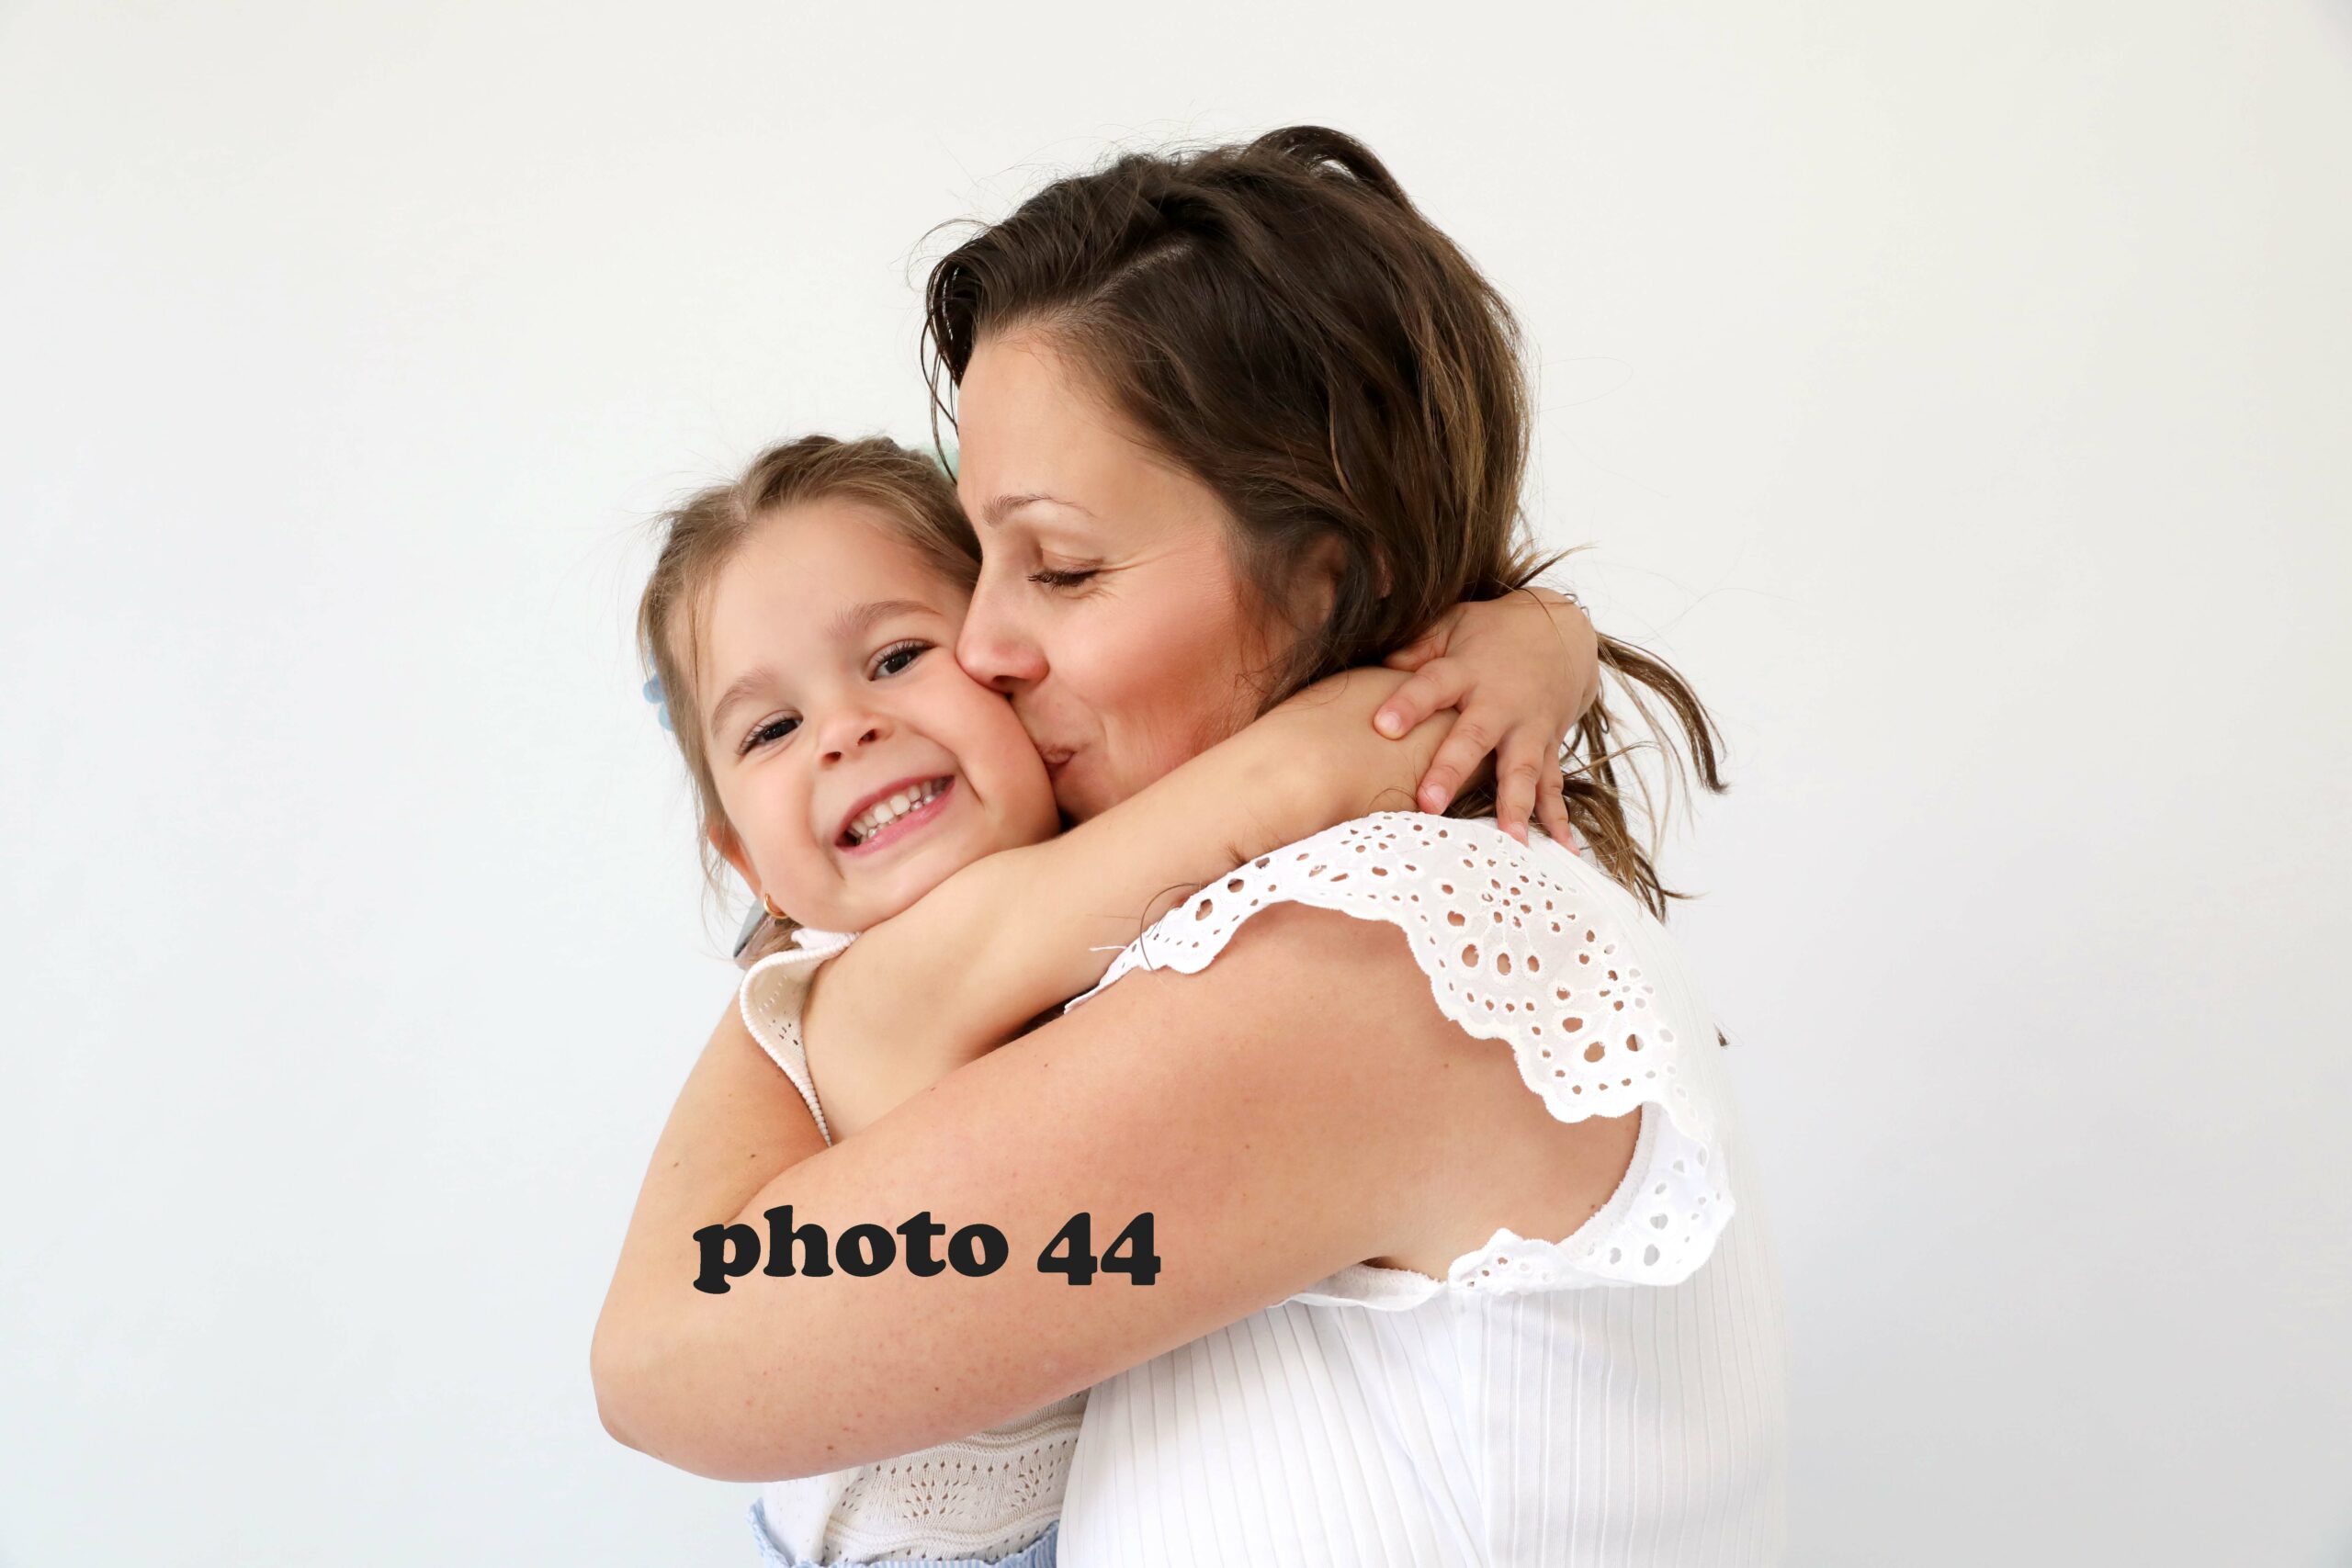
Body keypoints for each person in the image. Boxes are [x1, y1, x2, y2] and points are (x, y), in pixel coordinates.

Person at [597, 125, 1788, 1564]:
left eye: (1061, 566)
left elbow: (670, 1356)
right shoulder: (1233, 897)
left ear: (1327, 579)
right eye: (979, 561)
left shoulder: (1369, 957)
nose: (982, 644)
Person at [629, 432, 1600, 1566]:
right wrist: (1538, 645)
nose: (847, 730)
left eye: (897, 657)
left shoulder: (1106, 890)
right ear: (743, 861)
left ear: (1007, 665)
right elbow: (1299, 773)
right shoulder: (880, 980)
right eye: (771, 730)